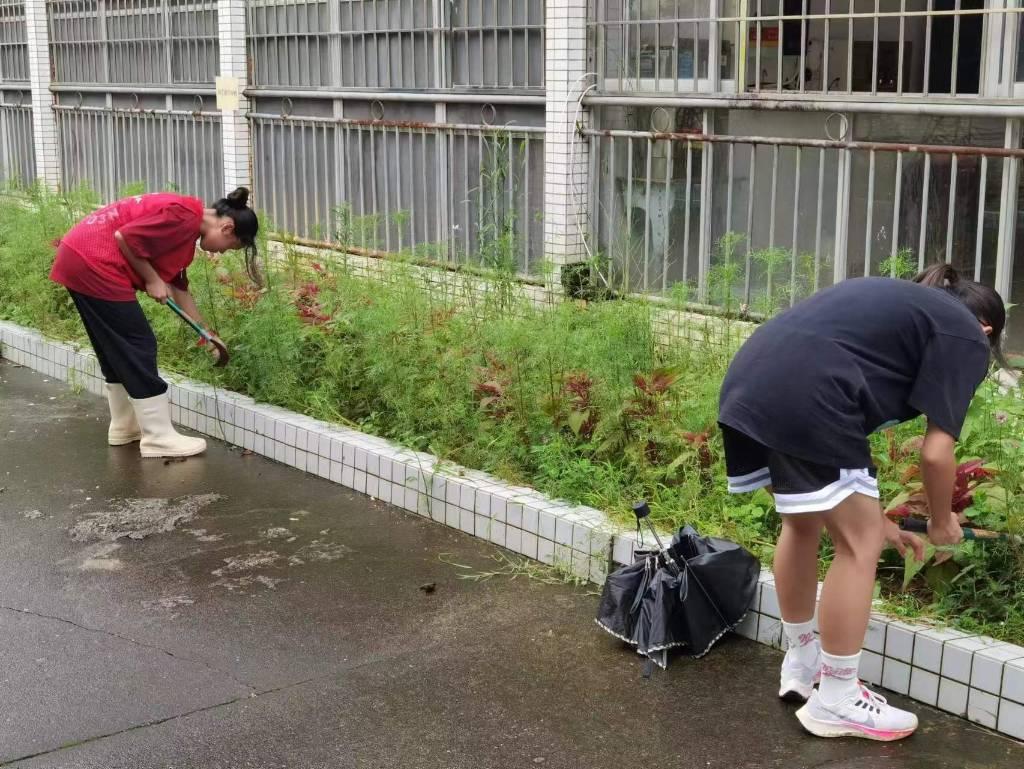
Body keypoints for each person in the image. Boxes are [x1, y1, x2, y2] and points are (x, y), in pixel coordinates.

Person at [719, 264, 1006, 741]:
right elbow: (937, 454)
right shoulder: (965, 336)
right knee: (860, 546)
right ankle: (838, 698)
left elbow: (840, 475)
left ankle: (804, 659)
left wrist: (883, 523)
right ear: (987, 329)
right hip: (811, 395)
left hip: (749, 386)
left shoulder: (899, 312)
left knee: (804, 522)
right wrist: (940, 522)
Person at [50, 187, 259, 458]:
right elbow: (124, 236)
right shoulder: (183, 217)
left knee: (116, 349)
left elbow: (179, 288)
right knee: (138, 343)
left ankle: (124, 427)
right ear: (227, 228)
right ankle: (158, 437)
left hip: (78, 256)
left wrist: (207, 335)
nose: (222, 253)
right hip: (95, 260)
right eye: (231, 247)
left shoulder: (187, 226)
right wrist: (151, 278)